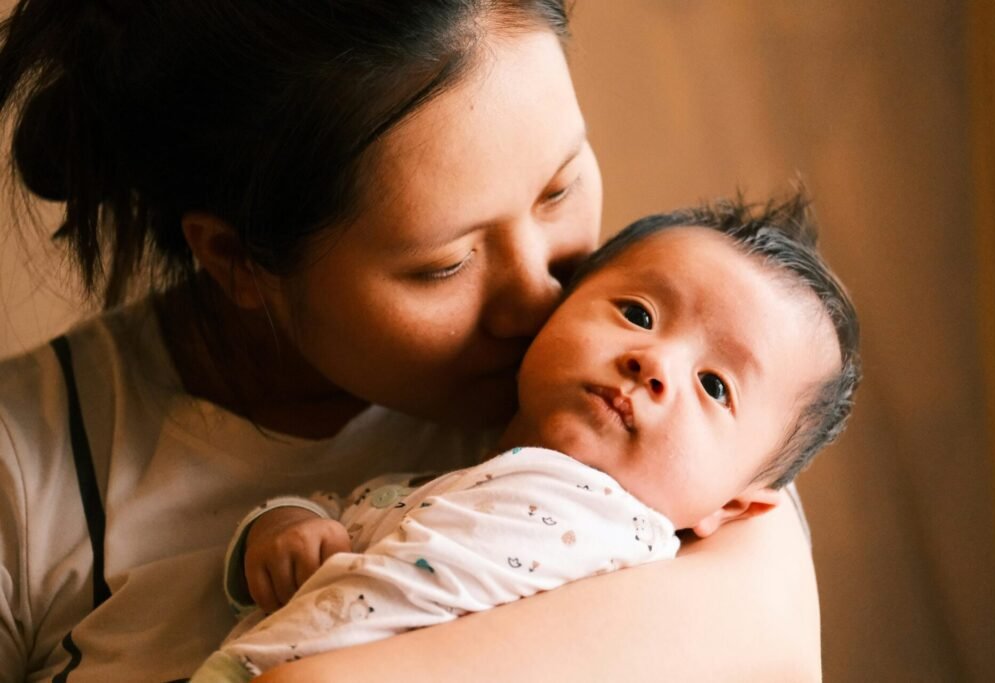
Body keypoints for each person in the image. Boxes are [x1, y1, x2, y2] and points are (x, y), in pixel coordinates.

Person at [0, 1, 826, 681]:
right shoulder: (29, 470)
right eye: (445, 264)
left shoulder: (665, 429)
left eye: (561, 185)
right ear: (238, 258)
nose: (538, 295)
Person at [193, 196, 860, 682]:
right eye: (637, 313)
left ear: (736, 506)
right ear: (555, 307)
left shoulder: (640, 558)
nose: (654, 363)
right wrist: (283, 525)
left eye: (714, 385)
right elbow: (346, 526)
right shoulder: (437, 481)